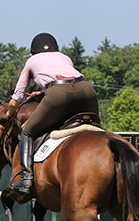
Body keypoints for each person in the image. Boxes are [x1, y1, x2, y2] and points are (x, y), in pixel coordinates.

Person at [6, 33, 99, 196]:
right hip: (86, 90)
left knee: (26, 131)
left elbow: (17, 96)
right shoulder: (65, 57)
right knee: (95, 129)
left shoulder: (31, 61)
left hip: (58, 93)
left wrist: (10, 113)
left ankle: (26, 179)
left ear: (34, 52)